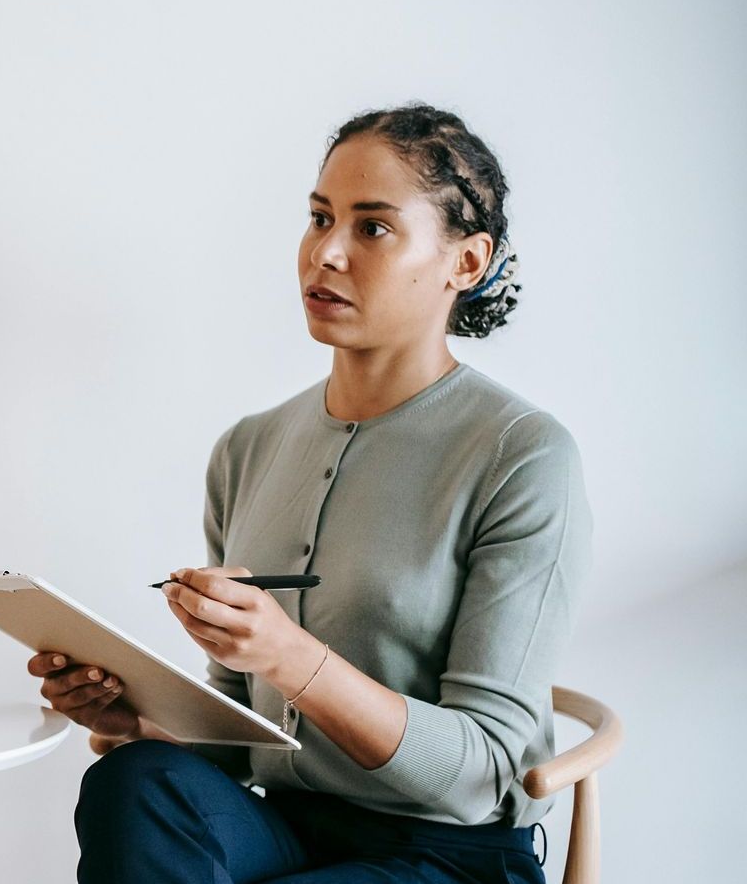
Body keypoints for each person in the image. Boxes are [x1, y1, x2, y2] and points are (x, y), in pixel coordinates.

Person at [30, 105, 588, 883]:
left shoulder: (521, 455)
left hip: (446, 855)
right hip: (287, 826)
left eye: (373, 228)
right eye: (320, 217)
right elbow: (241, 735)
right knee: (135, 782)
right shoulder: (249, 447)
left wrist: (291, 655)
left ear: (465, 262)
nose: (324, 252)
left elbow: (481, 773)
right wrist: (141, 720)